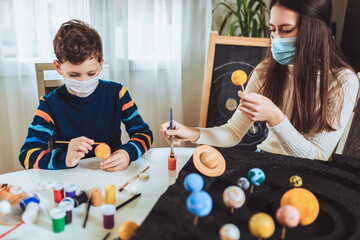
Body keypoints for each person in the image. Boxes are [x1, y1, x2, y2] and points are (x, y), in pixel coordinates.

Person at [160, 0, 359, 161]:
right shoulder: (265, 71)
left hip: (306, 176)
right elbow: (233, 132)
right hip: (263, 164)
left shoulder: (343, 82)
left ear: (315, 31)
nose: (277, 39)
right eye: (272, 30)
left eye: (286, 30)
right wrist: (191, 132)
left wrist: (276, 118)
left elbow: (318, 157)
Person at [19, 20, 153, 171]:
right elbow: (27, 155)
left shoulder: (117, 94)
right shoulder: (49, 104)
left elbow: (144, 134)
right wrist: (64, 158)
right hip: (69, 179)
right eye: (74, 75)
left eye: (91, 73)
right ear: (58, 67)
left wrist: (127, 153)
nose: (84, 81)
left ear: (100, 65)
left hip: (110, 175)